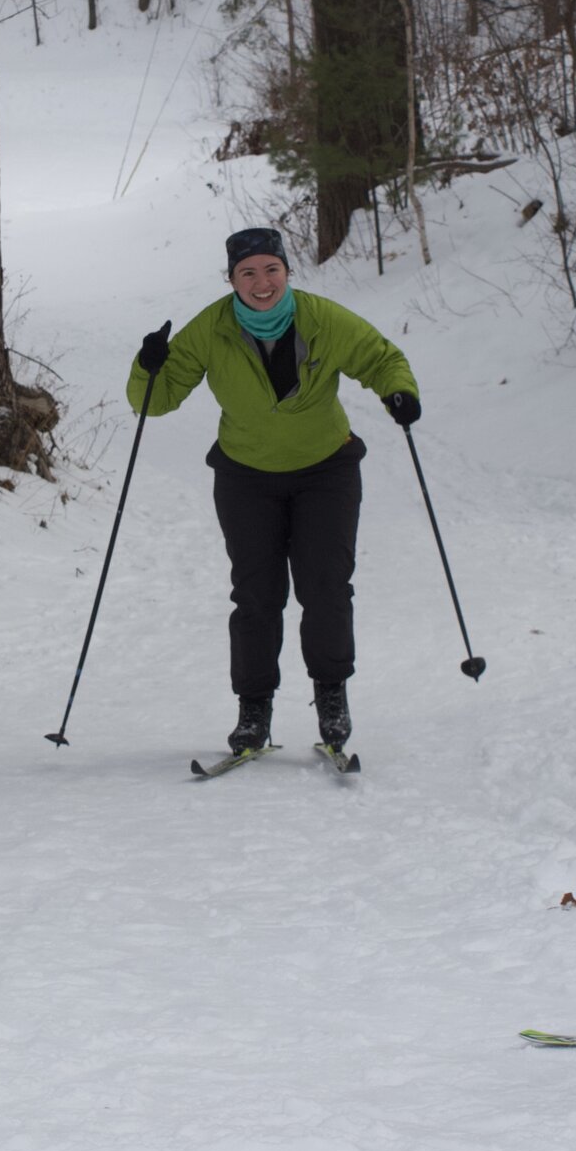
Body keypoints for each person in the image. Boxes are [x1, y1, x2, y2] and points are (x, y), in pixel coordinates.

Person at [127, 227, 420, 755]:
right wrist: (147, 366)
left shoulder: (321, 319)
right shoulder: (211, 329)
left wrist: (399, 392)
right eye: (248, 273)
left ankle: (331, 697)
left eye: (271, 270)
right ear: (232, 279)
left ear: (287, 271)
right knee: (257, 596)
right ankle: (253, 711)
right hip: (246, 477)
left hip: (326, 471)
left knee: (326, 588)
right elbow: (156, 400)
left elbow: (381, 357)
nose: (262, 283)